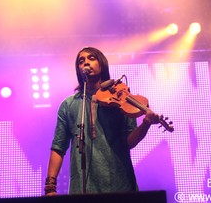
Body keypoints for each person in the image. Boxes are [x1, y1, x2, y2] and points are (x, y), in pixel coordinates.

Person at [45, 47, 162, 195]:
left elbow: (129, 142)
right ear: (78, 70)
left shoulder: (122, 99)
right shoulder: (69, 105)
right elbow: (58, 146)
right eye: (81, 61)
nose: (86, 62)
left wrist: (145, 125)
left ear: (102, 64)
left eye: (91, 58)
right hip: (82, 187)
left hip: (119, 183)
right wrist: (50, 187)